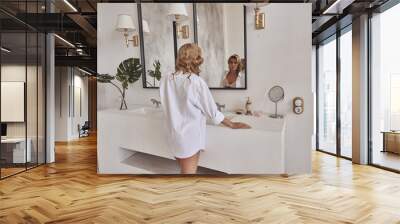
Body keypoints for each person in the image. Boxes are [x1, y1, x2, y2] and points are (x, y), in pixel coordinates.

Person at [160, 43, 251, 174]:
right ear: (196, 59)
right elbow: (212, 112)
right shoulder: (195, 82)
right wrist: (232, 124)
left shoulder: (166, 78)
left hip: (173, 136)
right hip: (188, 138)